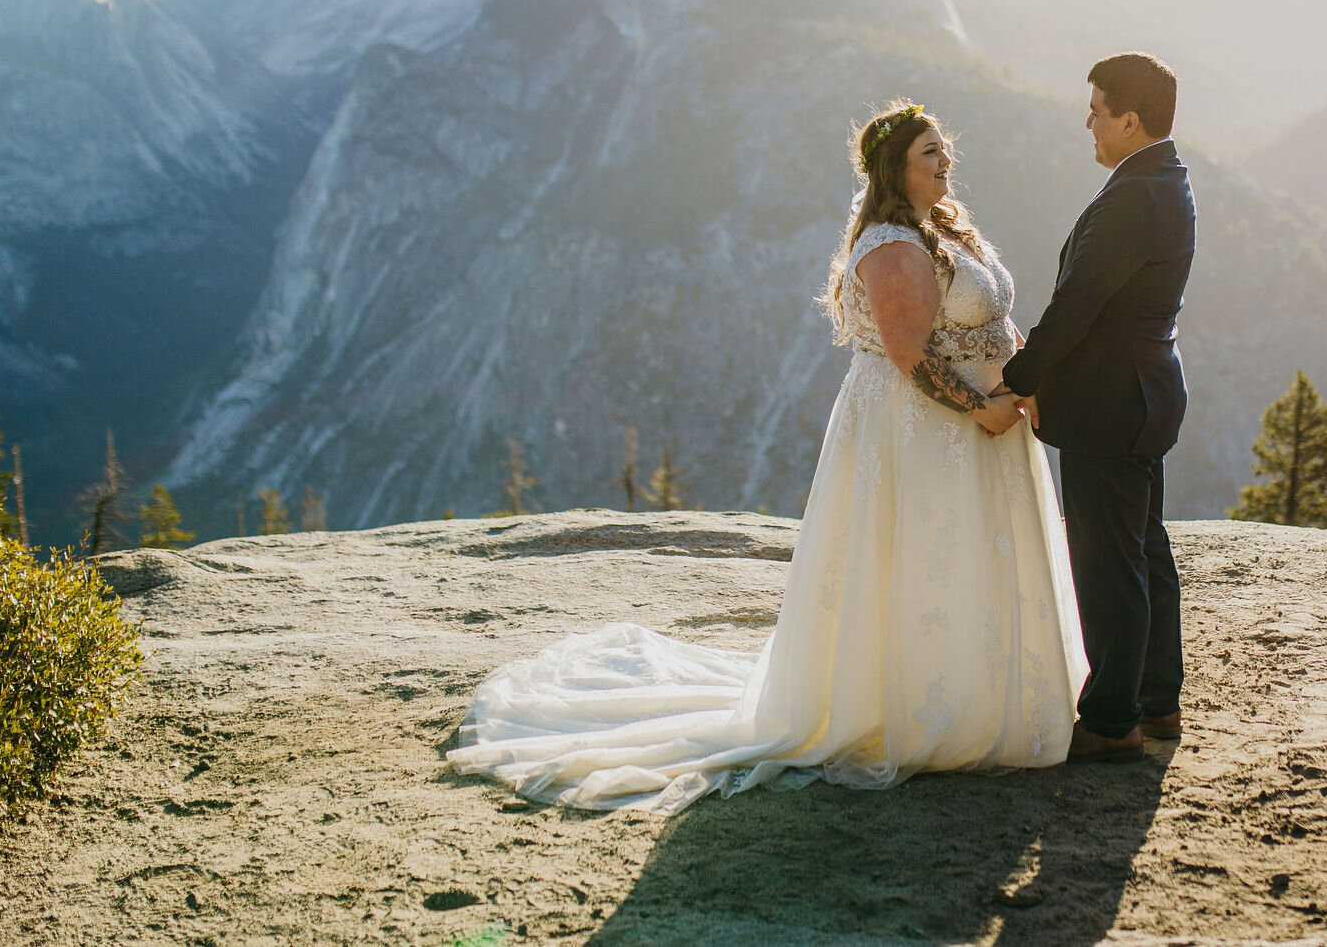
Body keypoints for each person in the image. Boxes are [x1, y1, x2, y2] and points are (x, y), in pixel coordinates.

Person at [449, 101, 1086, 810]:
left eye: (944, 149)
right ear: (894, 169)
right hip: (930, 429)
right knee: (929, 554)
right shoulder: (892, 245)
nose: (945, 162)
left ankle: (988, 696)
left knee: (973, 555)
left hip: (985, 425)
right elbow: (909, 354)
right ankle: (928, 711)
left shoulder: (944, 226)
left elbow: (991, 318)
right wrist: (980, 406)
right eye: (929, 153)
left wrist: (1025, 379)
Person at [997, 52, 1194, 764]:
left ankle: (1112, 720)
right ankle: (1157, 698)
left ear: (1130, 120)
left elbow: (1076, 304)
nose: (1088, 123)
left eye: (1097, 111)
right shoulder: (1167, 177)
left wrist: (1018, 378)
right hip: (1146, 392)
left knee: (1109, 563)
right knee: (1143, 548)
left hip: (1109, 402)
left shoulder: (1133, 196)